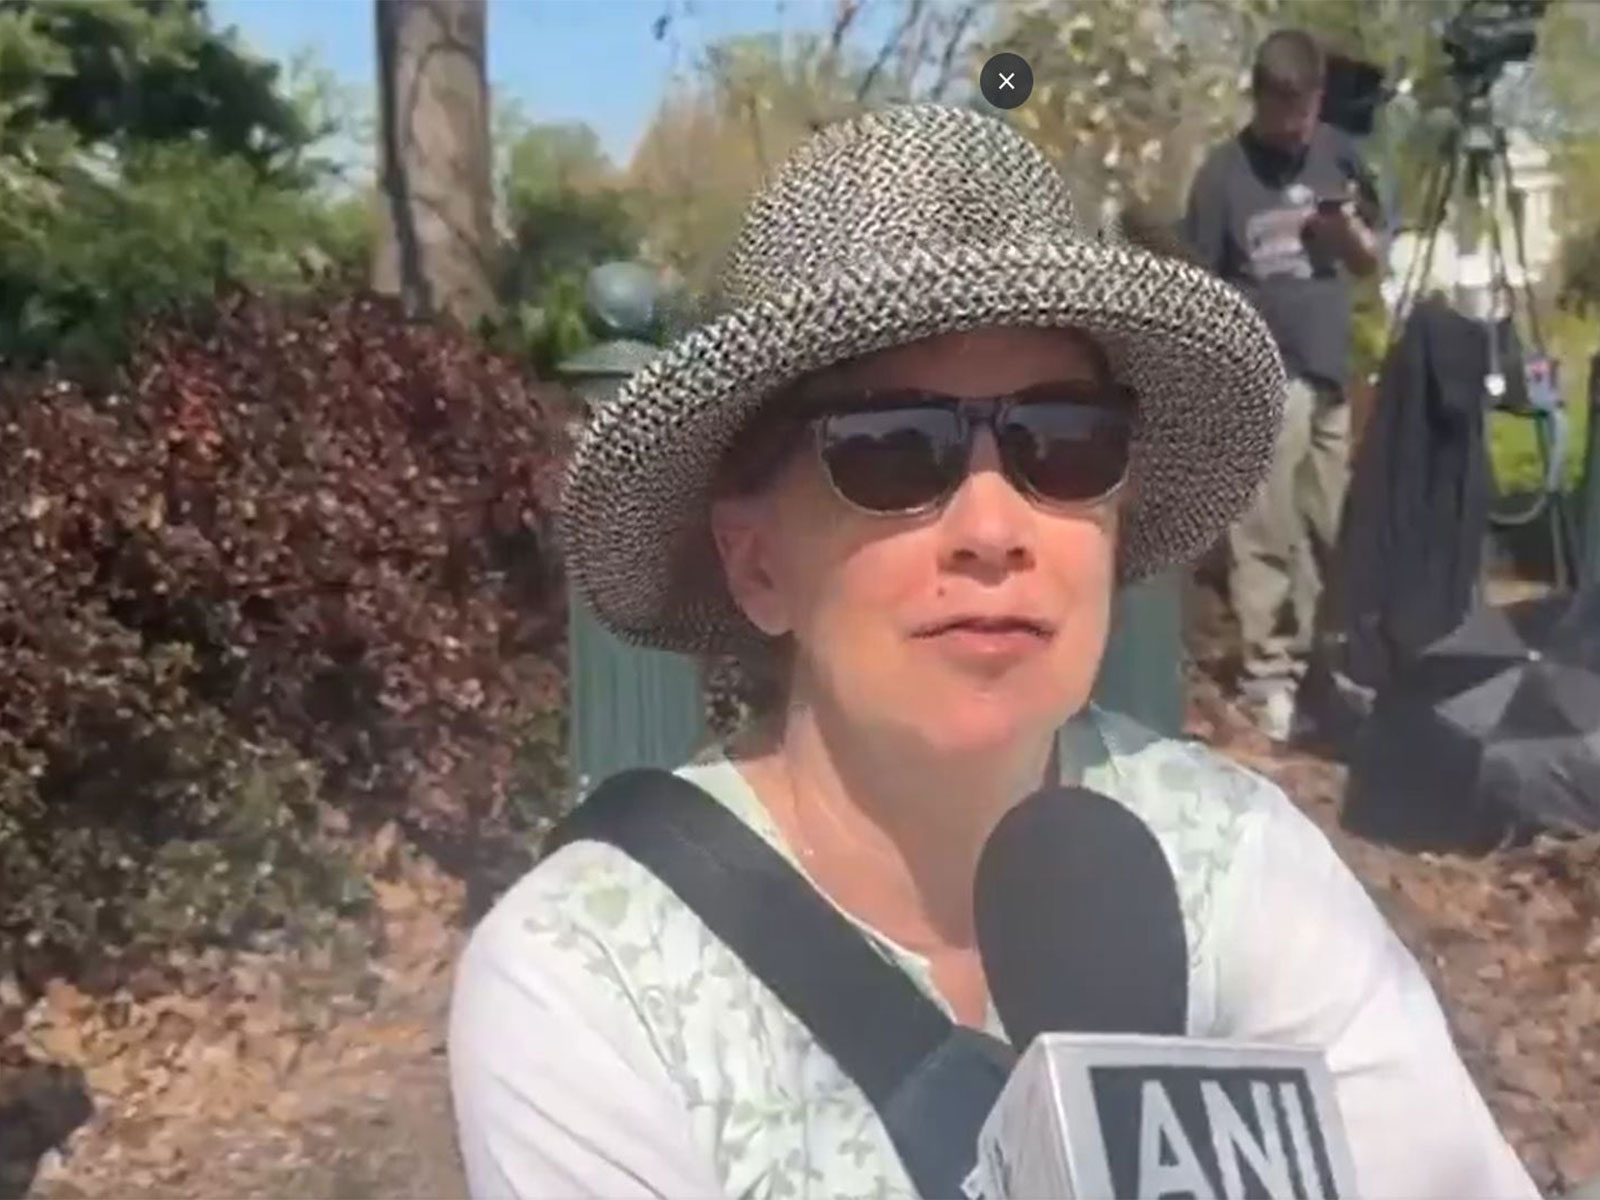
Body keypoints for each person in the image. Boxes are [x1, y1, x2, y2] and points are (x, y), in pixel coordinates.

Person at [449, 104, 1534, 1200]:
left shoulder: (1236, 864)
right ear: (756, 563)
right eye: (891, 451)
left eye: (1064, 443)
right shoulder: (592, 989)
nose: (993, 526)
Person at [1183, 29, 1383, 742]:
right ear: (1261, 99)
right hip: (1264, 372)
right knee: (1266, 527)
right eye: (1285, 112)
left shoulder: (1339, 154)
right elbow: (1196, 283)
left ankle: (1324, 664)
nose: (1298, 126)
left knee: (1330, 526)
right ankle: (1269, 675)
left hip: (1329, 368)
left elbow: (1371, 259)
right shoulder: (1223, 175)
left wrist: (1346, 233)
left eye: (1308, 111)